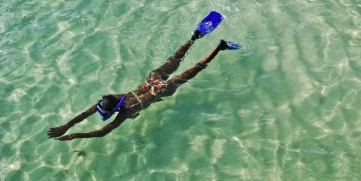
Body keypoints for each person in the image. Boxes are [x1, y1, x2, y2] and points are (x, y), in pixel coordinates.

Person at [48, 12, 239, 141]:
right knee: (177, 58)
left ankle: (219, 48)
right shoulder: (112, 98)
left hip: (160, 89)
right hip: (153, 79)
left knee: (196, 68)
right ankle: (194, 37)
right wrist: (67, 125)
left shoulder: (126, 112)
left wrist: (73, 135)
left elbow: (101, 133)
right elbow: (85, 115)